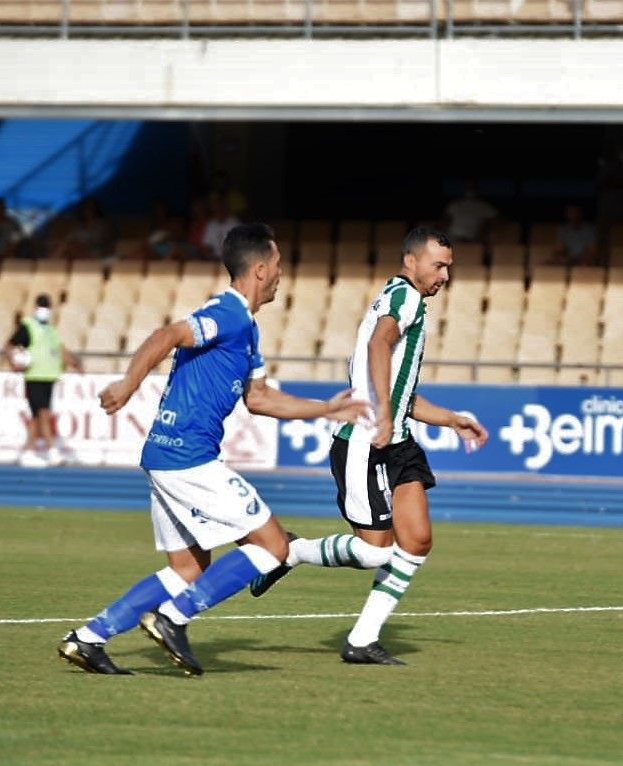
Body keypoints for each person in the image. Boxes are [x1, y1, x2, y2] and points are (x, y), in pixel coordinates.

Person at [56, 223, 371, 676]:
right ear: (261, 269)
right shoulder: (229, 315)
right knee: (273, 546)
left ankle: (89, 639)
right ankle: (173, 618)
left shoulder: (247, 331)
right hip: (189, 456)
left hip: (164, 455)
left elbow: (259, 398)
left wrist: (324, 408)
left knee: (187, 568)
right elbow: (167, 335)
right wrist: (128, 384)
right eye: (279, 264)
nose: (282, 273)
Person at [247, 227, 489, 666]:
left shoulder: (402, 299)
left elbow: (403, 396)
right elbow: (381, 343)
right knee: (374, 550)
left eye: (449, 267)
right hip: (366, 442)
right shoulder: (405, 298)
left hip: (397, 443)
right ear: (411, 261)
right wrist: (380, 412)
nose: (445, 276)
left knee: (416, 541)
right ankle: (292, 550)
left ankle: (362, 640)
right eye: (439, 265)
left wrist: (452, 419)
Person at [8, 294, 82, 468]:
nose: (45, 310)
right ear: (36, 308)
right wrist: (13, 362)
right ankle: (51, 449)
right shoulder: (28, 326)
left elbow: (60, 350)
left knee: (35, 416)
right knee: (44, 412)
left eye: (47, 306)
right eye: (42, 306)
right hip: (34, 376)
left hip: (48, 376)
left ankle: (28, 451)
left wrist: (74, 362)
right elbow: (10, 345)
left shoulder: (51, 330)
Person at [443, 180, 498, 244]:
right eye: (467, 187)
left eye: (472, 188)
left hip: (473, 239)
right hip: (452, 238)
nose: (469, 191)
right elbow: (444, 221)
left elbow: (497, 221)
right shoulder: (454, 204)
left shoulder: (484, 206)